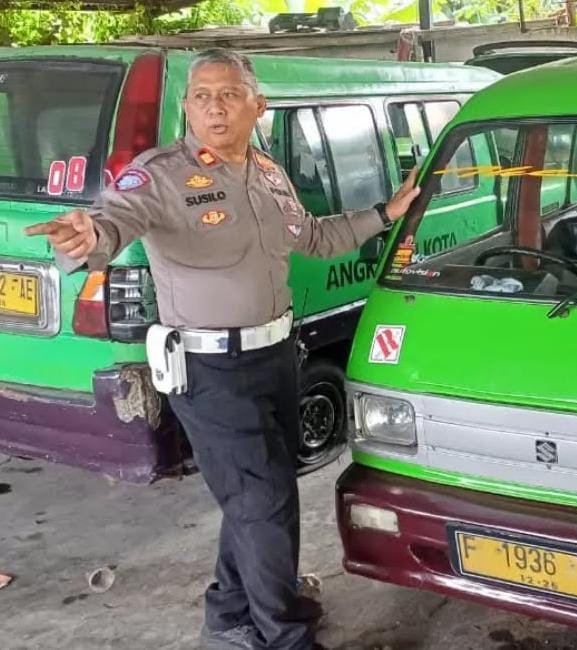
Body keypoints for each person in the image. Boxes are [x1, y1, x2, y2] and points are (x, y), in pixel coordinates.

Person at [24, 49, 420, 650]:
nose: (215, 106)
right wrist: (88, 235)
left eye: (230, 94)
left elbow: (313, 238)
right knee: (266, 501)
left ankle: (232, 612)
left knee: (254, 495)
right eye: (202, 95)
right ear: (187, 107)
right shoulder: (159, 174)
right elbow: (114, 219)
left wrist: (383, 214)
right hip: (209, 369)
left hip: (275, 354)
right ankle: (282, 634)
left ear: (256, 107)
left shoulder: (267, 171)